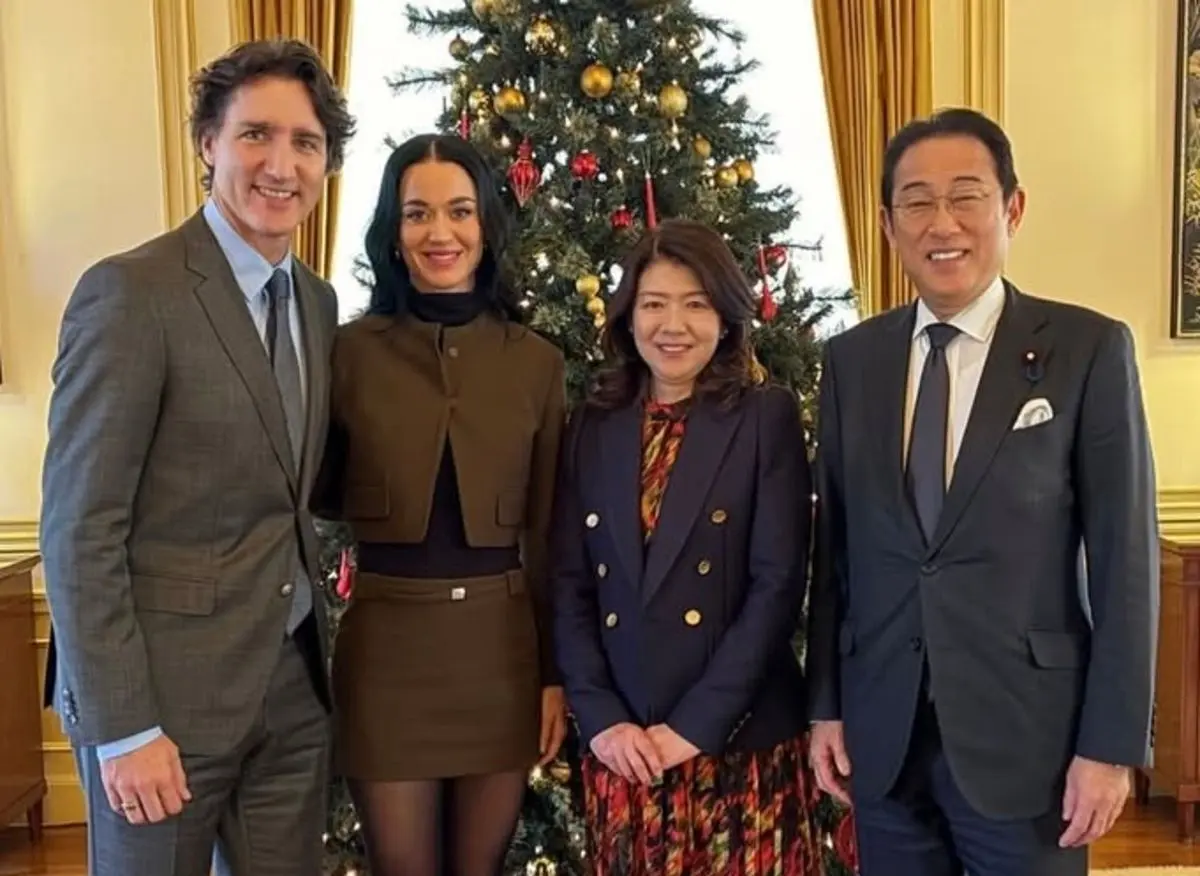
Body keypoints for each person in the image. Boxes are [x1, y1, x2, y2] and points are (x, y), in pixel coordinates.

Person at [806, 106, 1159, 876]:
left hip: (1028, 742)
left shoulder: (1087, 349)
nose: (943, 222)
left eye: (966, 195)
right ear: (888, 223)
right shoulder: (851, 362)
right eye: (917, 200)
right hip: (884, 736)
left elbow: (1126, 565)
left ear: (1012, 208)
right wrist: (826, 705)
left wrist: (1111, 746)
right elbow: (837, 557)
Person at [38, 38, 355, 876]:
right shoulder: (133, 294)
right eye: (256, 134)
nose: (280, 164)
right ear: (208, 143)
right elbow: (80, 527)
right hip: (161, 709)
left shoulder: (317, 304)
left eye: (306, 143)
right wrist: (126, 726)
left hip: (291, 698)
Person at [310, 133, 568, 876]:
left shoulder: (536, 361)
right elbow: (315, 488)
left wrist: (552, 673)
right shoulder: (347, 352)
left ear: (486, 223)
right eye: (417, 213)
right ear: (393, 230)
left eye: (459, 211)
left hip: (501, 654)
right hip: (387, 650)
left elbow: (548, 532)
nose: (440, 233)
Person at [552, 218, 821, 875]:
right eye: (653, 304)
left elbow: (777, 587)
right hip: (627, 751)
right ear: (627, 317)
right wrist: (602, 719)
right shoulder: (591, 425)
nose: (672, 325)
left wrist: (694, 728)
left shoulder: (765, 417)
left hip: (737, 744)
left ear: (727, 318)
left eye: (695, 304)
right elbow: (568, 584)